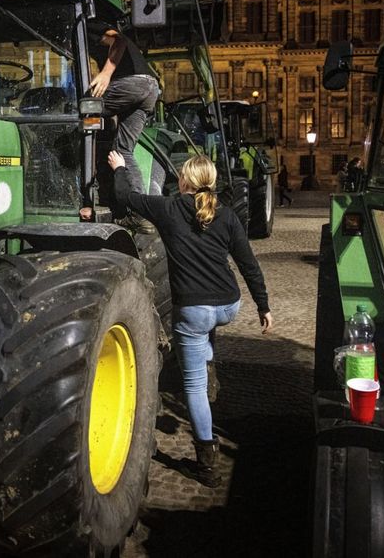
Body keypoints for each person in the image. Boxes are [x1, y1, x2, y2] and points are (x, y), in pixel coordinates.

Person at [108, 150, 273, 488]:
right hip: (230, 305)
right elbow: (248, 264)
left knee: (193, 386)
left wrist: (121, 168)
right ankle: (207, 358)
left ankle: (207, 465)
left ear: (183, 181)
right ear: (210, 182)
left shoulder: (169, 208)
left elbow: (127, 197)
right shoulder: (226, 215)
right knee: (205, 328)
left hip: (195, 311)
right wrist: (263, 306)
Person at [87, 19, 160, 222]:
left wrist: (105, 74)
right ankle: (139, 212)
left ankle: (85, 194)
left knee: (80, 113)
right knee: (123, 150)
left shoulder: (88, 25)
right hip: (150, 87)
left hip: (133, 83)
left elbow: (118, 41)